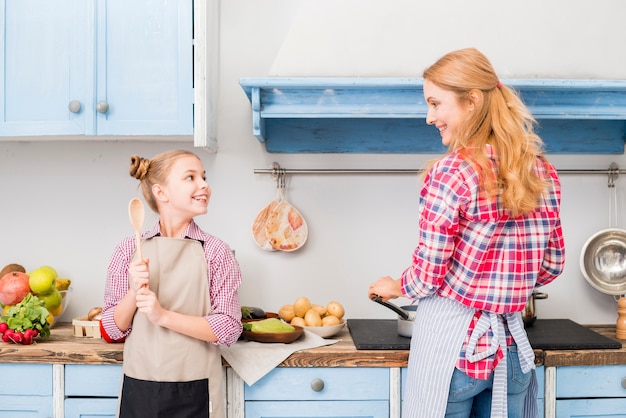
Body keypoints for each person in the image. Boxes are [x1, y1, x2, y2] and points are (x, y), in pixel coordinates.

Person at [368, 48, 565, 418]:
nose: (430, 117)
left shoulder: (451, 172)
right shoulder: (543, 172)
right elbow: (552, 266)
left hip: (455, 356)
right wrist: (502, 284)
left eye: (436, 104)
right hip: (510, 354)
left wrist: (396, 286)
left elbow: (428, 274)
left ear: (471, 101)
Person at [100, 149, 242, 418]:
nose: (204, 185)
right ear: (161, 193)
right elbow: (111, 330)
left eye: (203, 177)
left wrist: (162, 316)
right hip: (139, 384)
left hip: (196, 387)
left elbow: (229, 328)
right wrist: (134, 292)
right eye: (190, 177)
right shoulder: (129, 249)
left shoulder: (215, 251)